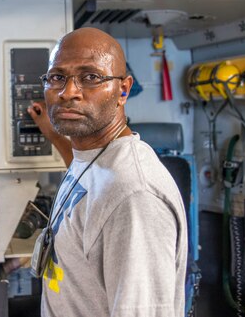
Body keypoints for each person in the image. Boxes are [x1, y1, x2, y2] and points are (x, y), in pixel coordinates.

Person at [26, 27, 187, 317]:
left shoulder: (135, 197)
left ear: (123, 90)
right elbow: (91, 184)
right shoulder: (93, 158)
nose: (68, 92)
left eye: (91, 77)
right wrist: (54, 135)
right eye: (57, 77)